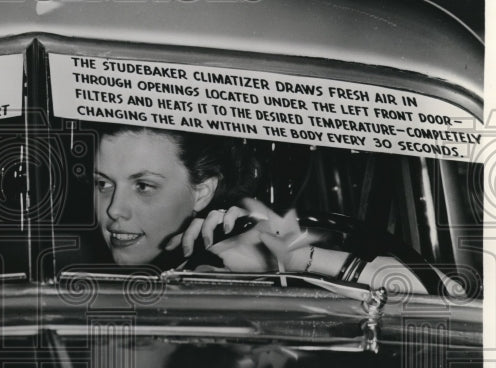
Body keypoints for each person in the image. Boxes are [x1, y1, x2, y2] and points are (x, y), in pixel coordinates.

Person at [91, 124, 427, 291]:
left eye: (143, 186)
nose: (114, 211)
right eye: (103, 184)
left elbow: (449, 296)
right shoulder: (64, 280)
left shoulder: (238, 269)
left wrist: (293, 255)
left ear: (203, 191)